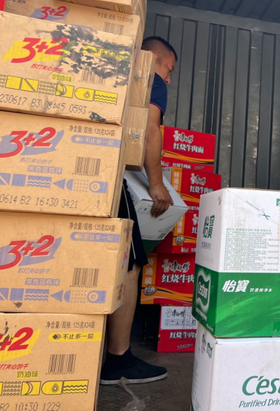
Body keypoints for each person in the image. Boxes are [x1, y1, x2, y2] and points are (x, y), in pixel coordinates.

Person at [100, 36, 177, 384]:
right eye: (169, 69)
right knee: (129, 263)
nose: (168, 79)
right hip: (108, 174)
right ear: (152, 59)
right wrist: (157, 184)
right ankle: (119, 359)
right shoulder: (148, 77)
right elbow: (149, 130)